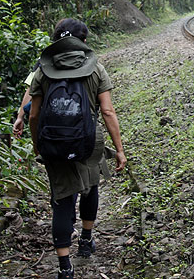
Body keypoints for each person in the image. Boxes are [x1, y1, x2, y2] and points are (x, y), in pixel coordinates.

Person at [28, 19, 127, 279]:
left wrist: (38, 145)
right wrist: (119, 149)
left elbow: (33, 115)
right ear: (83, 42)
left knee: (61, 200)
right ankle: (85, 240)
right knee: (90, 187)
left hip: (54, 144)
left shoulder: (43, 71)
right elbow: (106, 110)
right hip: (88, 140)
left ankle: (64, 268)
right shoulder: (96, 69)